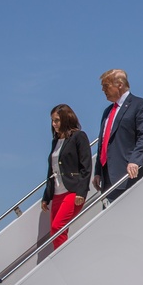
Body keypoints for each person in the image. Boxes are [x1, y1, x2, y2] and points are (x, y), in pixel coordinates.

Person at [93, 69, 143, 203]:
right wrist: (97, 171)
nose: (103, 90)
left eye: (106, 85)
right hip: (108, 178)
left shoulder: (139, 105)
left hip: (129, 175)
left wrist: (135, 161)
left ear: (119, 84)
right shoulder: (107, 112)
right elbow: (103, 143)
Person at [41, 104, 91, 249]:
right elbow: (52, 170)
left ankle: (62, 262)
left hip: (72, 191)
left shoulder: (78, 137)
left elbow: (86, 166)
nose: (54, 124)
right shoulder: (55, 141)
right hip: (57, 194)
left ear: (66, 119)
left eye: (57, 120)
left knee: (58, 228)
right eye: (52, 121)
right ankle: (60, 259)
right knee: (54, 232)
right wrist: (46, 196)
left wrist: (81, 192)